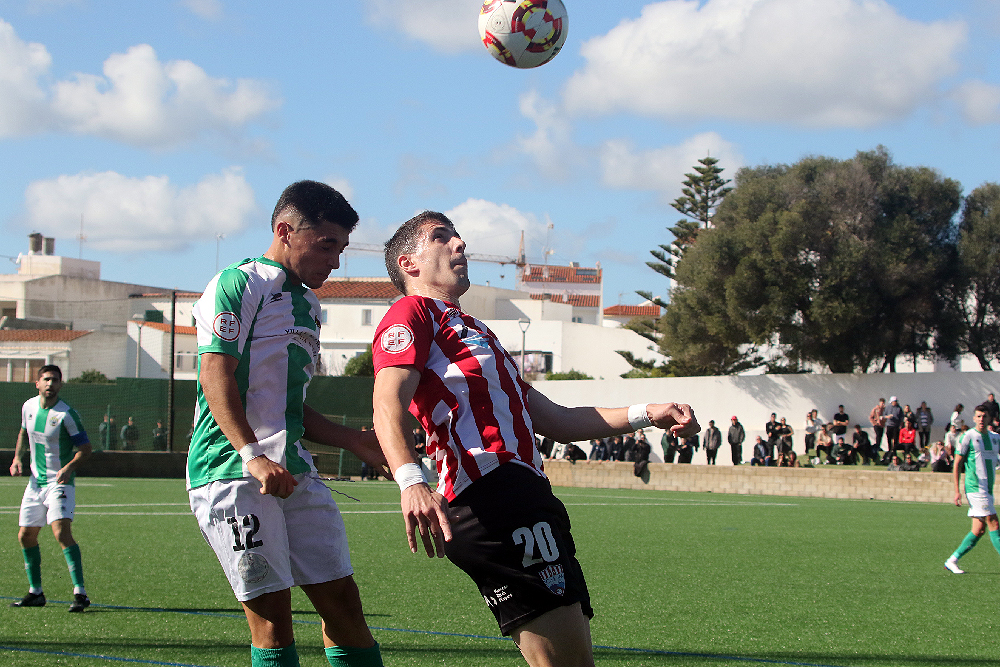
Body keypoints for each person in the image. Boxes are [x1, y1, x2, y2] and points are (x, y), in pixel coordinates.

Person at [370, 211, 699, 667]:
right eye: (442, 238)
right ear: (409, 263)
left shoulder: (477, 333)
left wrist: (648, 413)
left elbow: (557, 419)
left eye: (458, 235)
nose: (460, 244)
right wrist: (411, 481)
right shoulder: (413, 313)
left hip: (525, 496)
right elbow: (387, 401)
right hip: (491, 497)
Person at [186, 181, 387, 667]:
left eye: (341, 249)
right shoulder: (238, 284)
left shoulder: (310, 306)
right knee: (273, 622)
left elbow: (289, 409)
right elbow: (216, 373)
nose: (335, 262)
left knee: (343, 607)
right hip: (231, 472)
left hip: (295, 472)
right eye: (326, 245)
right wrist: (252, 455)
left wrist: (352, 439)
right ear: (285, 231)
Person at [8, 365, 92, 612]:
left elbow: (85, 449)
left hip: (59, 483)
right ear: (37, 383)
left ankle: (80, 593)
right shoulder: (29, 407)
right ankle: (36, 592)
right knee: (26, 535)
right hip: (35, 483)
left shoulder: (67, 415)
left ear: (60, 385)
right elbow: (23, 434)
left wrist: (68, 468)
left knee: (60, 533)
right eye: (46, 379)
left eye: (55, 380)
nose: (50, 384)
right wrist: (17, 459)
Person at [944, 404, 1000, 574]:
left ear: (989, 418)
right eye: (978, 416)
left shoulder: (995, 438)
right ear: (974, 418)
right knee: (993, 521)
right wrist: (957, 491)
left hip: (987, 489)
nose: (981, 419)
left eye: (984, 416)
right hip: (975, 488)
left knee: (979, 529)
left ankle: (952, 560)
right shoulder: (967, 436)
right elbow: (957, 464)